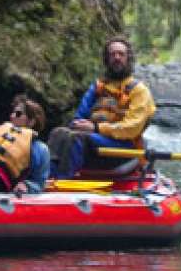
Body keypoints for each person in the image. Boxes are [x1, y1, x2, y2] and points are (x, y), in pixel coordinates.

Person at [47, 36, 156, 178]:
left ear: (128, 59)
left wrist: (96, 128)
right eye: (112, 54)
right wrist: (78, 124)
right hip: (94, 144)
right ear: (106, 60)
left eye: (121, 54)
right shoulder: (98, 87)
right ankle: (48, 178)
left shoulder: (139, 91)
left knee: (78, 138)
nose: (117, 58)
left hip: (123, 149)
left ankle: (63, 181)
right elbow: (78, 117)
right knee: (58, 133)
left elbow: (131, 128)